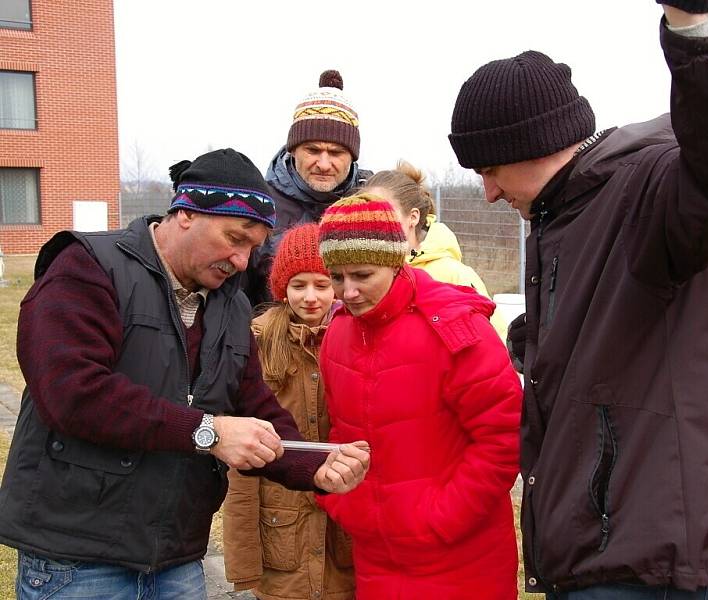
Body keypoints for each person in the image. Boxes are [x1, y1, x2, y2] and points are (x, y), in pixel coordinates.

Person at [448, 2, 708, 598]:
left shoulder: (646, 190)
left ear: (532, 143)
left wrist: (697, 29)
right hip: (601, 550)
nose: (486, 192)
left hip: (649, 561)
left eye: (489, 168)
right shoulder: (564, 213)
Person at [0, 148, 370, 600]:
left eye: (253, 248)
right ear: (187, 214)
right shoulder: (87, 267)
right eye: (235, 238)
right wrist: (208, 432)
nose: (241, 261)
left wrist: (315, 466)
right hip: (78, 557)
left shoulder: (231, 304)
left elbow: (252, 403)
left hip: (175, 557)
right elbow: (73, 393)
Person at [314, 194, 522, 599]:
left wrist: (439, 519)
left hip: (462, 559)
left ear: (396, 262)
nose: (348, 291)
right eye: (336, 278)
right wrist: (345, 504)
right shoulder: (338, 332)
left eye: (362, 274)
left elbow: (504, 437)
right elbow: (341, 431)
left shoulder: (457, 329)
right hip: (377, 555)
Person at [223, 223, 354, 600]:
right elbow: (243, 470)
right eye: (298, 286)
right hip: (280, 536)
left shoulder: (356, 340)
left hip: (343, 536)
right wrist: (244, 562)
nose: (311, 297)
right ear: (282, 288)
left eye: (322, 283)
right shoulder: (256, 342)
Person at [243, 69, 372, 308]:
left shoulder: (371, 204)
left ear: (352, 156)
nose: (323, 164)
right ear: (293, 150)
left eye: (336, 153)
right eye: (312, 150)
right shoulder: (259, 205)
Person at [363, 160, 508, 340]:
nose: (371, 222)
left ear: (413, 217)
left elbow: (494, 343)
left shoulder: (454, 275)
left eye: (382, 214)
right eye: (365, 213)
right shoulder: (358, 275)